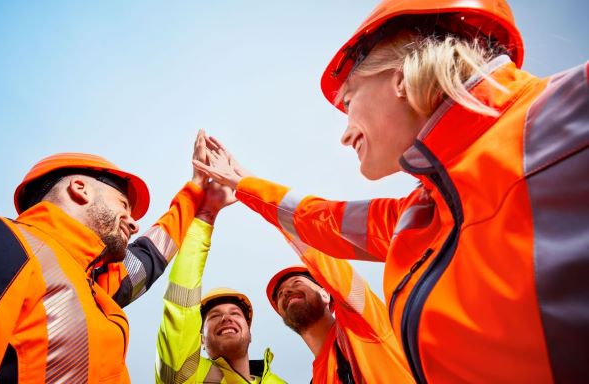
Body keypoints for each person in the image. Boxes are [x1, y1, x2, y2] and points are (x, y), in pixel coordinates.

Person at [192, 0, 589, 382]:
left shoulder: (562, 113)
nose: (346, 135)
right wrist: (240, 182)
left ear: (400, 77)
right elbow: (322, 220)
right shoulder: (422, 215)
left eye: (348, 101)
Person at [0, 137, 207, 383]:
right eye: (124, 205)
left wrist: (198, 192)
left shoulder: (94, 287)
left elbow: (149, 256)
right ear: (80, 188)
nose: (133, 223)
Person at [155, 171, 285, 383]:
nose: (226, 317)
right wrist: (205, 217)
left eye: (235, 313)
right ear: (201, 340)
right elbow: (181, 307)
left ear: (250, 334)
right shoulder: (187, 376)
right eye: (214, 316)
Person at [266, 238, 414, 384]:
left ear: (326, 294)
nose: (286, 292)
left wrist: (285, 220)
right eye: (280, 294)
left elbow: (328, 265)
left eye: (297, 282)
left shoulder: (363, 324)